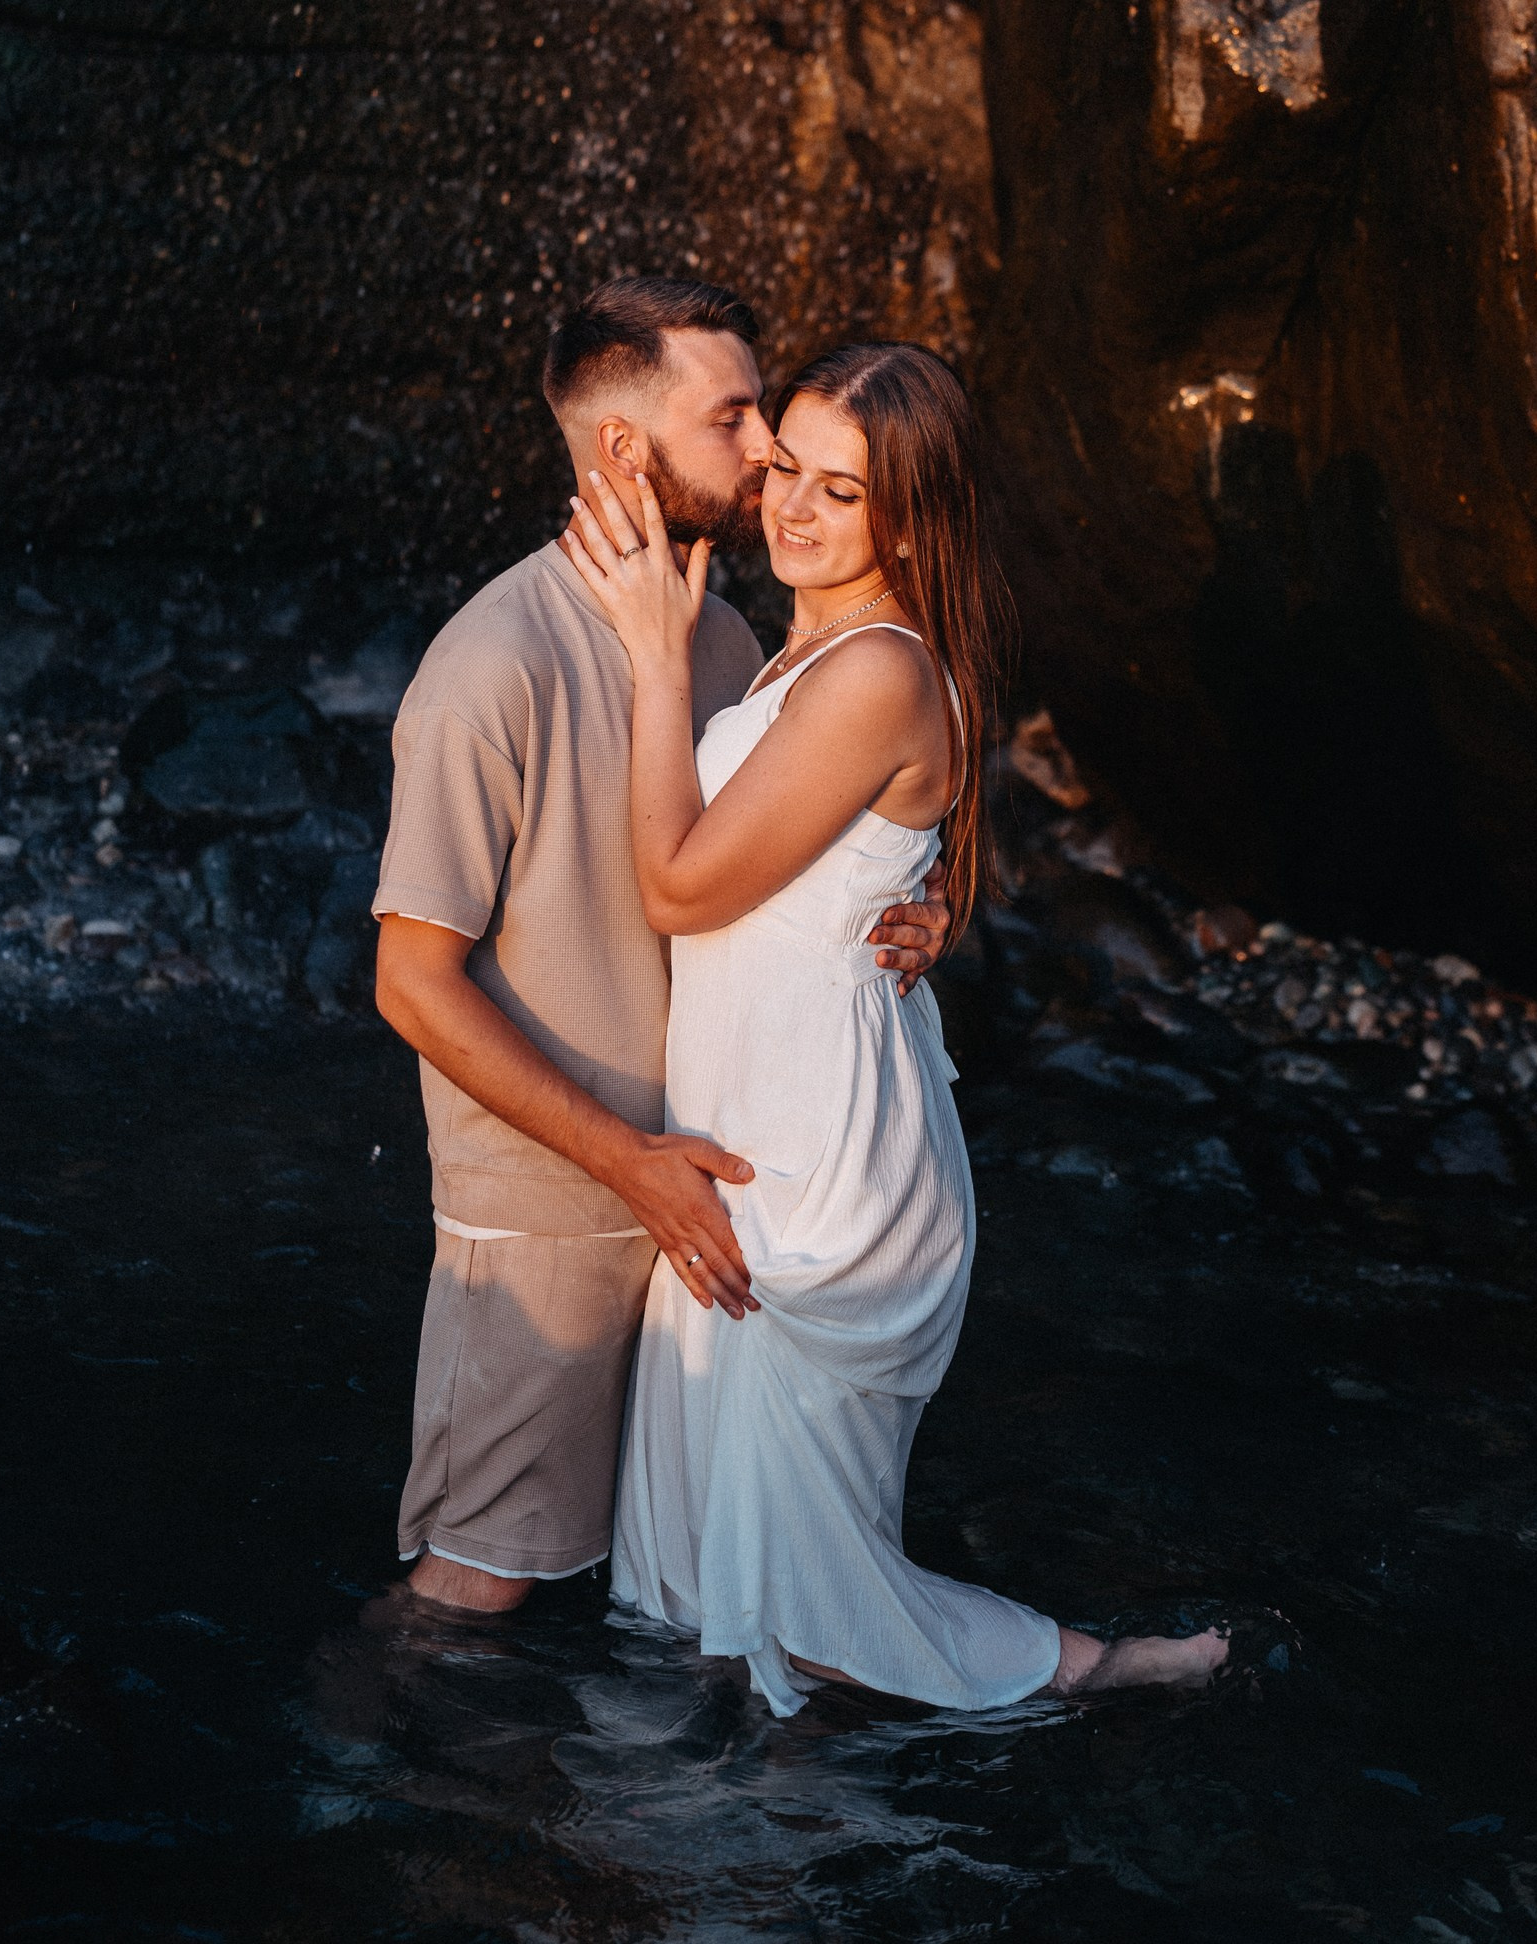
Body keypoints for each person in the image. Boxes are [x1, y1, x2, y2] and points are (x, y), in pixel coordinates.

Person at [561, 340, 1229, 1713]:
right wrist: (936, 909)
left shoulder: (872, 670)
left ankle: (1097, 1670)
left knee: (800, 1600)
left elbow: (680, 888)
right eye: (785, 471)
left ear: (911, 517)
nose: (793, 510)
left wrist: (649, 655)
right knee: (716, 1579)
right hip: (756, 1128)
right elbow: (882, 863)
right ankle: (752, 1863)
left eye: (841, 492)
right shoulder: (823, 650)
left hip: (823, 1162)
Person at [370, 278, 950, 1616]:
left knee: (672, 1598)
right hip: (560, 1219)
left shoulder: (730, 634)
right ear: (625, 449)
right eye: (737, 416)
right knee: (475, 1594)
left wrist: (918, 911)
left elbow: (793, 862)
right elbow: (409, 979)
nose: (766, 455)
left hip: (717, 1203)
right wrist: (627, 1165)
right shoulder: (489, 667)